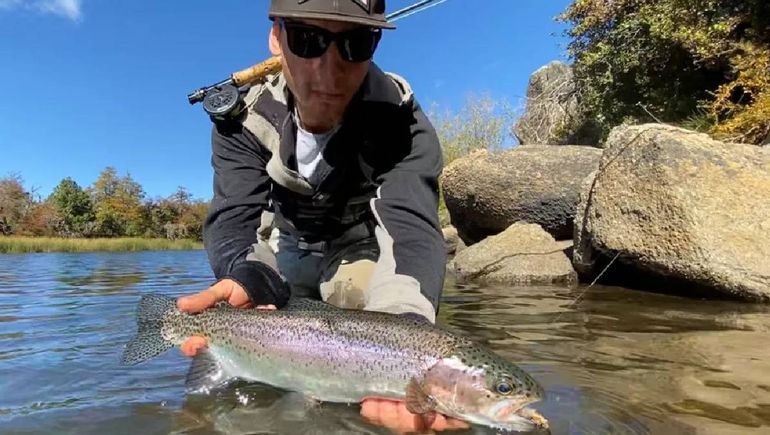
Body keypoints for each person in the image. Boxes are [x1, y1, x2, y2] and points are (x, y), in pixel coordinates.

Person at [176, 0, 466, 431]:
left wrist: (405, 334)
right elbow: (236, 217)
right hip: (284, 246)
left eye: (355, 43)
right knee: (254, 336)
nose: (330, 71)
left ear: (375, 43)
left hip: (360, 243)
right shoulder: (242, 119)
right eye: (307, 39)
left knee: (356, 311)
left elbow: (410, 228)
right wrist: (251, 278)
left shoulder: (401, 124)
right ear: (276, 38)